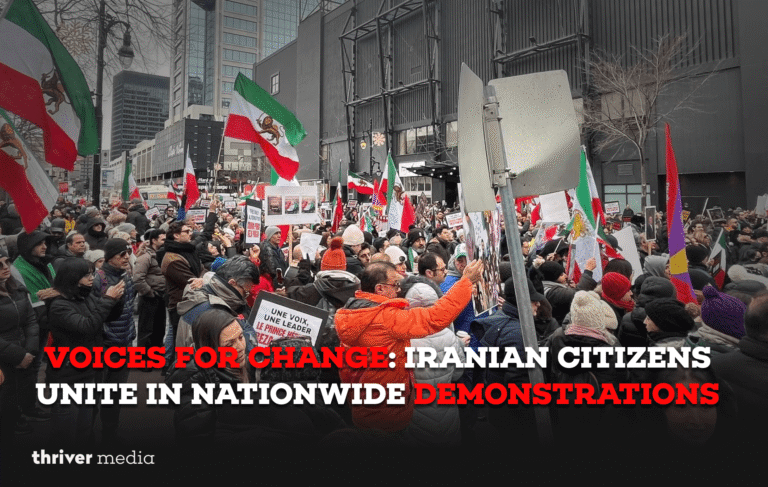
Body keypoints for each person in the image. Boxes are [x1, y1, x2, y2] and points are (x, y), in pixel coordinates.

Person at [334, 259, 483, 435]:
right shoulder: (384, 319)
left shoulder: (352, 313)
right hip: (388, 413)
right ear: (380, 288)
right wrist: (465, 282)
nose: (399, 290)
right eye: (395, 285)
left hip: (364, 405)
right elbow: (434, 318)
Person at [46, 258, 123, 447]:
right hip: (67, 376)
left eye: (92, 273)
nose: (91, 278)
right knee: (66, 433)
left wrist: (118, 299)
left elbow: (106, 316)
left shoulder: (83, 296)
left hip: (88, 371)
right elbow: (87, 326)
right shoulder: (59, 305)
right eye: (86, 274)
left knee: (84, 428)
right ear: (73, 277)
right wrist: (108, 300)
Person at [91, 238, 136, 443]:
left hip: (124, 343)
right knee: (95, 394)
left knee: (115, 393)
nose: (127, 257)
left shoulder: (126, 277)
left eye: (127, 253)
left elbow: (129, 308)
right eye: (122, 254)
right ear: (110, 257)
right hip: (105, 344)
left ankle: (110, 433)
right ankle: (86, 433)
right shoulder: (98, 279)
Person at [0, 248, 39, 442]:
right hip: (5, 359)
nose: (5, 268)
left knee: (18, 397)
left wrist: (29, 350)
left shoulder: (16, 289)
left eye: (6, 262)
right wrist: (18, 355)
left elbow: (30, 319)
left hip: (23, 353)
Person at [162, 221, 205, 354]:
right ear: (176, 235)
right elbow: (191, 281)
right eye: (186, 231)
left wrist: (202, 278)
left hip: (193, 302)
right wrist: (203, 280)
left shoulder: (189, 251)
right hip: (180, 305)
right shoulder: (172, 258)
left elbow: (202, 269)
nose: (190, 233)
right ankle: (172, 371)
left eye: (190, 230)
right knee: (180, 343)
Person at [133, 229, 167, 349]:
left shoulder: (162, 254)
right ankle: (143, 360)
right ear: (154, 240)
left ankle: (155, 356)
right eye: (162, 239)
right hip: (149, 298)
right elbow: (138, 278)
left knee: (159, 328)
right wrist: (149, 292)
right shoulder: (145, 257)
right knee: (146, 330)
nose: (165, 241)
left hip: (161, 296)